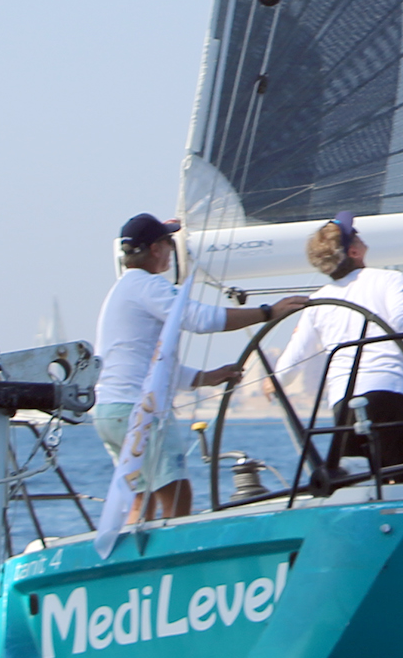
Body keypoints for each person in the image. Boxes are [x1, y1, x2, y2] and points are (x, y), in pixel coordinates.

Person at [95, 213, 307, 521]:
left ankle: (138, 551)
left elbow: (149, 363)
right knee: (177, 495)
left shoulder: (122, 289)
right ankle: (173, 551)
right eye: (169, 244)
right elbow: (200, 319)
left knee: (143, 500)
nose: (172, 251)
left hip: (110, 410)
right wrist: (267, 313)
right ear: (156, 248)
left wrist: (206, 377)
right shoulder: (147, 285)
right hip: (137, 411)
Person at [273, 213, 403, 481]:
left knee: (360, 484)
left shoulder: (317, 300)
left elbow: (294, 357)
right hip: (390, 395)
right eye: (355, 235)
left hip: (344, 406)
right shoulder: (388, 279)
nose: (360, 236)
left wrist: (274, 381)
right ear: (353, 251)